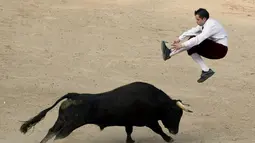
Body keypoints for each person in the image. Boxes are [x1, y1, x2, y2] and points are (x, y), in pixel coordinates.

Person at [161, 8, 228, 83]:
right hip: (216, 48)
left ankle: (169, 53)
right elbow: (193, 30)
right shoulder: (205, 23)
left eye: (198, 19)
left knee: (193, 40)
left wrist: (182, 45)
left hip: (220, 50)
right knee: (191, 48)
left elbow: (198, 39)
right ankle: (206, 70)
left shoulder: (210, 26)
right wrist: (180, 38)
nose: (196, 21)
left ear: (204, 19)